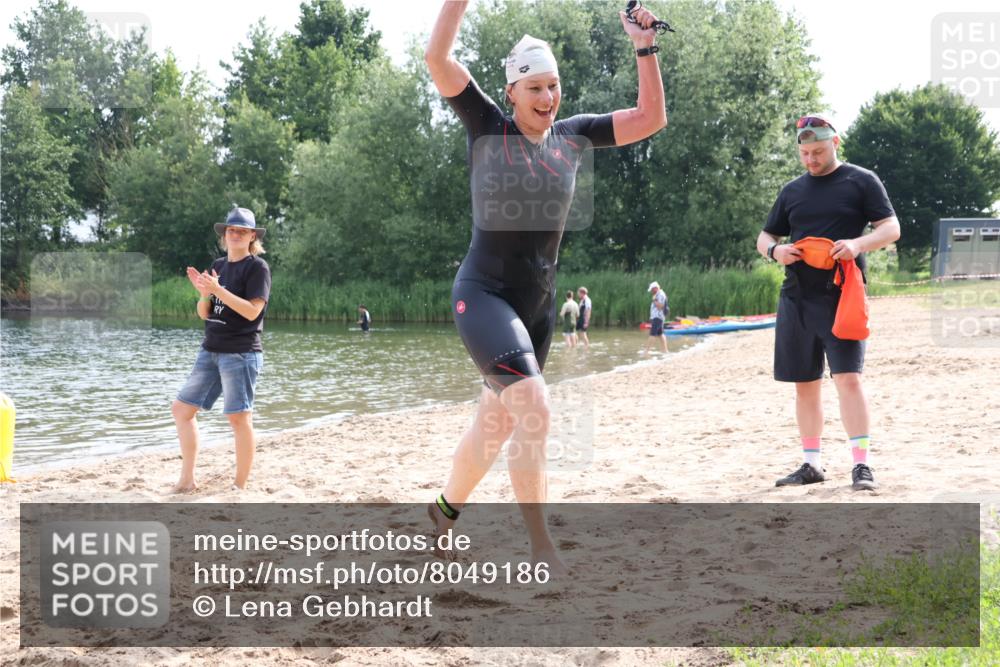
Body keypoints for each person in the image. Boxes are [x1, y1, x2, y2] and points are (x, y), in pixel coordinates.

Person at [424, 0, 668, 571]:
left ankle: (442, 512)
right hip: (483, 295)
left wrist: (644, 45)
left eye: (553, 85)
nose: (546, 97)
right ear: (511, 91)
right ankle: (541, 548)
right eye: (534, 86)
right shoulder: (488, 126)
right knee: (534, 405)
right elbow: (438, 57)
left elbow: (650, 117)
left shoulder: (573, 138)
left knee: (494, 425)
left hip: (535, 310)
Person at [756, 114, 900, 491]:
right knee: (804, 383)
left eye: (817, 151)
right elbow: (765, 235)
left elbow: (891, 228)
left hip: (843, 296)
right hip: (797, 297)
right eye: (804, 153)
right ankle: (811, 464)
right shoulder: (791, 190)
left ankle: (861, 465)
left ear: (835, 143)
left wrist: (856, 245)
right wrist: (775, 250)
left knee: (848, 379)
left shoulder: (861, 180)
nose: (810, 160)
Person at [171, 206, 271, 492]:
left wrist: (217, 290)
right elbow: (205, 313)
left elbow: (252, 312)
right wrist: (205, 294)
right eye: (231, 230)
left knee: (238, 417)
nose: (236, 234)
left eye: (242, 231)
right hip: (210, 350)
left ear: (252, 236)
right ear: (224, 235)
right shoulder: (219, 266)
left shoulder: (257, 268)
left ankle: (238, 486)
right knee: (181, 410)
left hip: (241, 352)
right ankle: (187, 480)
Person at [643, 281, 669, 353]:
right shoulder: (658, 294)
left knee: (652, 334)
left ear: (655, 288)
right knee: (661, 334)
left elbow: (661, 306)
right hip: (658, 317)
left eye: (652, 290)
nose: (651, 291)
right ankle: (665, 350)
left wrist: (654, 299)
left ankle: (646, 351)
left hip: (658, 317)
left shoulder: (660, 294)